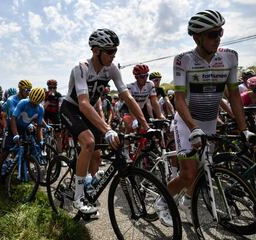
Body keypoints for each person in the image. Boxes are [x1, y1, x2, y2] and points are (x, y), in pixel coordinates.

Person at [155, 10, 255, 227]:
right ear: (196, 37)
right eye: (212, 34)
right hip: (187, 122)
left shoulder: (230, 56)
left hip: (210, 122)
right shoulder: (184, 60)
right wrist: (192, 126)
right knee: (189, 172)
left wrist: (244, 128)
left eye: (220, 32)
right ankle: (162, 202)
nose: (218, 38)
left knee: (202, 170)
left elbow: (234, 95)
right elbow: (179, 99)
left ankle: (187, 202)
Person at [60, 28, 151, 214]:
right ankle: (78, 197)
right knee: (89, 143)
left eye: (115, 51)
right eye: (109, 51)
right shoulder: (81, 68)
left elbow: (127, 97)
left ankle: (89, 181)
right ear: (96, 51)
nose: (113, 55)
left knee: (98, 151)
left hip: (88, 111)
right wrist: (108, 128)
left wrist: (145, 124)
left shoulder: (112, 68)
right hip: (71, 108)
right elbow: (83, 103)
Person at [0, 80, 32, 193]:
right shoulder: (12, 100)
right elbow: (14, 118)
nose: (28, 92)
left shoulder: (27, 100)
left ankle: (17, 171)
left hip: (22, 128)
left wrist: (30, 123)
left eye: (30, 90)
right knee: (4, 153)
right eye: (27, 90)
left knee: (25, 151)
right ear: (20, 89)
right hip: (11, 128)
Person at [44, 79, 63, 152]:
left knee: (59, 136)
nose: (52, 89)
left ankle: (60, 154)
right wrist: (48, 99)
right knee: (42, 130)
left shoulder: (58, 95)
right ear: (48, 88)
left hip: (55, 114)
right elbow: (42, 108)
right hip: (45, 114)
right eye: (50, 88)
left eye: (54, 88)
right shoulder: (45, 94)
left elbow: (61, 107)